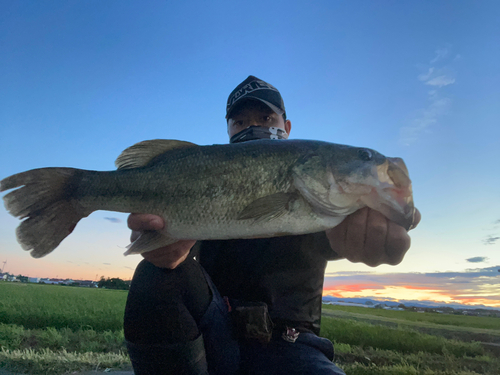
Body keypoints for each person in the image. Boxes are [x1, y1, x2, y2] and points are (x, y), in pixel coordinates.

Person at [123, 76, 421, 375]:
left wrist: (378, 231)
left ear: (287, 127)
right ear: (228, 131)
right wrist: (166, 251)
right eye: (239, 122)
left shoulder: (333, 202)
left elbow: (360, 232)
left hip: (291, 344)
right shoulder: (203, 178)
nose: (252, 127)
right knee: (155, 273)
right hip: (214, 331)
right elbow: (178, 258)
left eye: (266, 117)